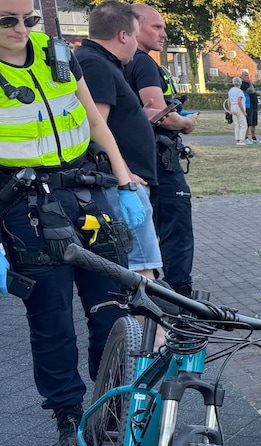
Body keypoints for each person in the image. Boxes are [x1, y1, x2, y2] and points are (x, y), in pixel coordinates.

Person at [0, 0, 148, 446]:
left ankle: (108, 409)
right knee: (53, 322)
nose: (21, 28)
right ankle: (68, 418)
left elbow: (95, 121)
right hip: (26, 207)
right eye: (8, 21)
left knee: (111, 306)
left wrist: (124, 182)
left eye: (28, 18)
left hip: (85, 194)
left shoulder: (55, 53)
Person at [75, 0, 162, 285]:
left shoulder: (96, 62)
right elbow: (95, 128)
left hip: (125, 182)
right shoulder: (96, 65)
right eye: (136, 36)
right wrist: (123, 176)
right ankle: (151, 331)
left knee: (140, 270)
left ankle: (151, 330)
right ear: (123, 35)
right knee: (141, 272)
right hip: (123, 185)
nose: (137, 45)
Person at [126, 3, 197, 298]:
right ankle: (180, 297)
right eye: (156, 27)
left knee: (145, 227)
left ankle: (145, 286)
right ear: (134, 27)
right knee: (175, 224)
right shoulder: (142, 63)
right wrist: (186, 123)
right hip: (159, 158)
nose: (163, 34)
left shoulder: (121, 62)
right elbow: (158, 111)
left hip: (139, 158)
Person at [240, 68, 260, 144]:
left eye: (247, 75)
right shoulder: (243, 85)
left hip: (254, 105)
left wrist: (254, 89)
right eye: (245, 76)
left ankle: (254, 137)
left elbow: (258, 92)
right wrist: (251, 85)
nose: (247, 77)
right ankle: (246, 137)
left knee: (254, 123)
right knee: (248, 122)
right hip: (248, 105)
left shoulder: (251, 84)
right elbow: (251, 91)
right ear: (242, 77)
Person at [228, 75, 247, 145]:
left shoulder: (231, 90)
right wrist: (244, 112)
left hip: (233, 107)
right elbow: (239, 102)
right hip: (239, 107)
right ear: (240, 83)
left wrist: (230, 109)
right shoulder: (240, 91)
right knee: (243, 124)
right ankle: (241, 140)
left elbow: (229, 100)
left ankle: (237, 139)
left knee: (236, 124)